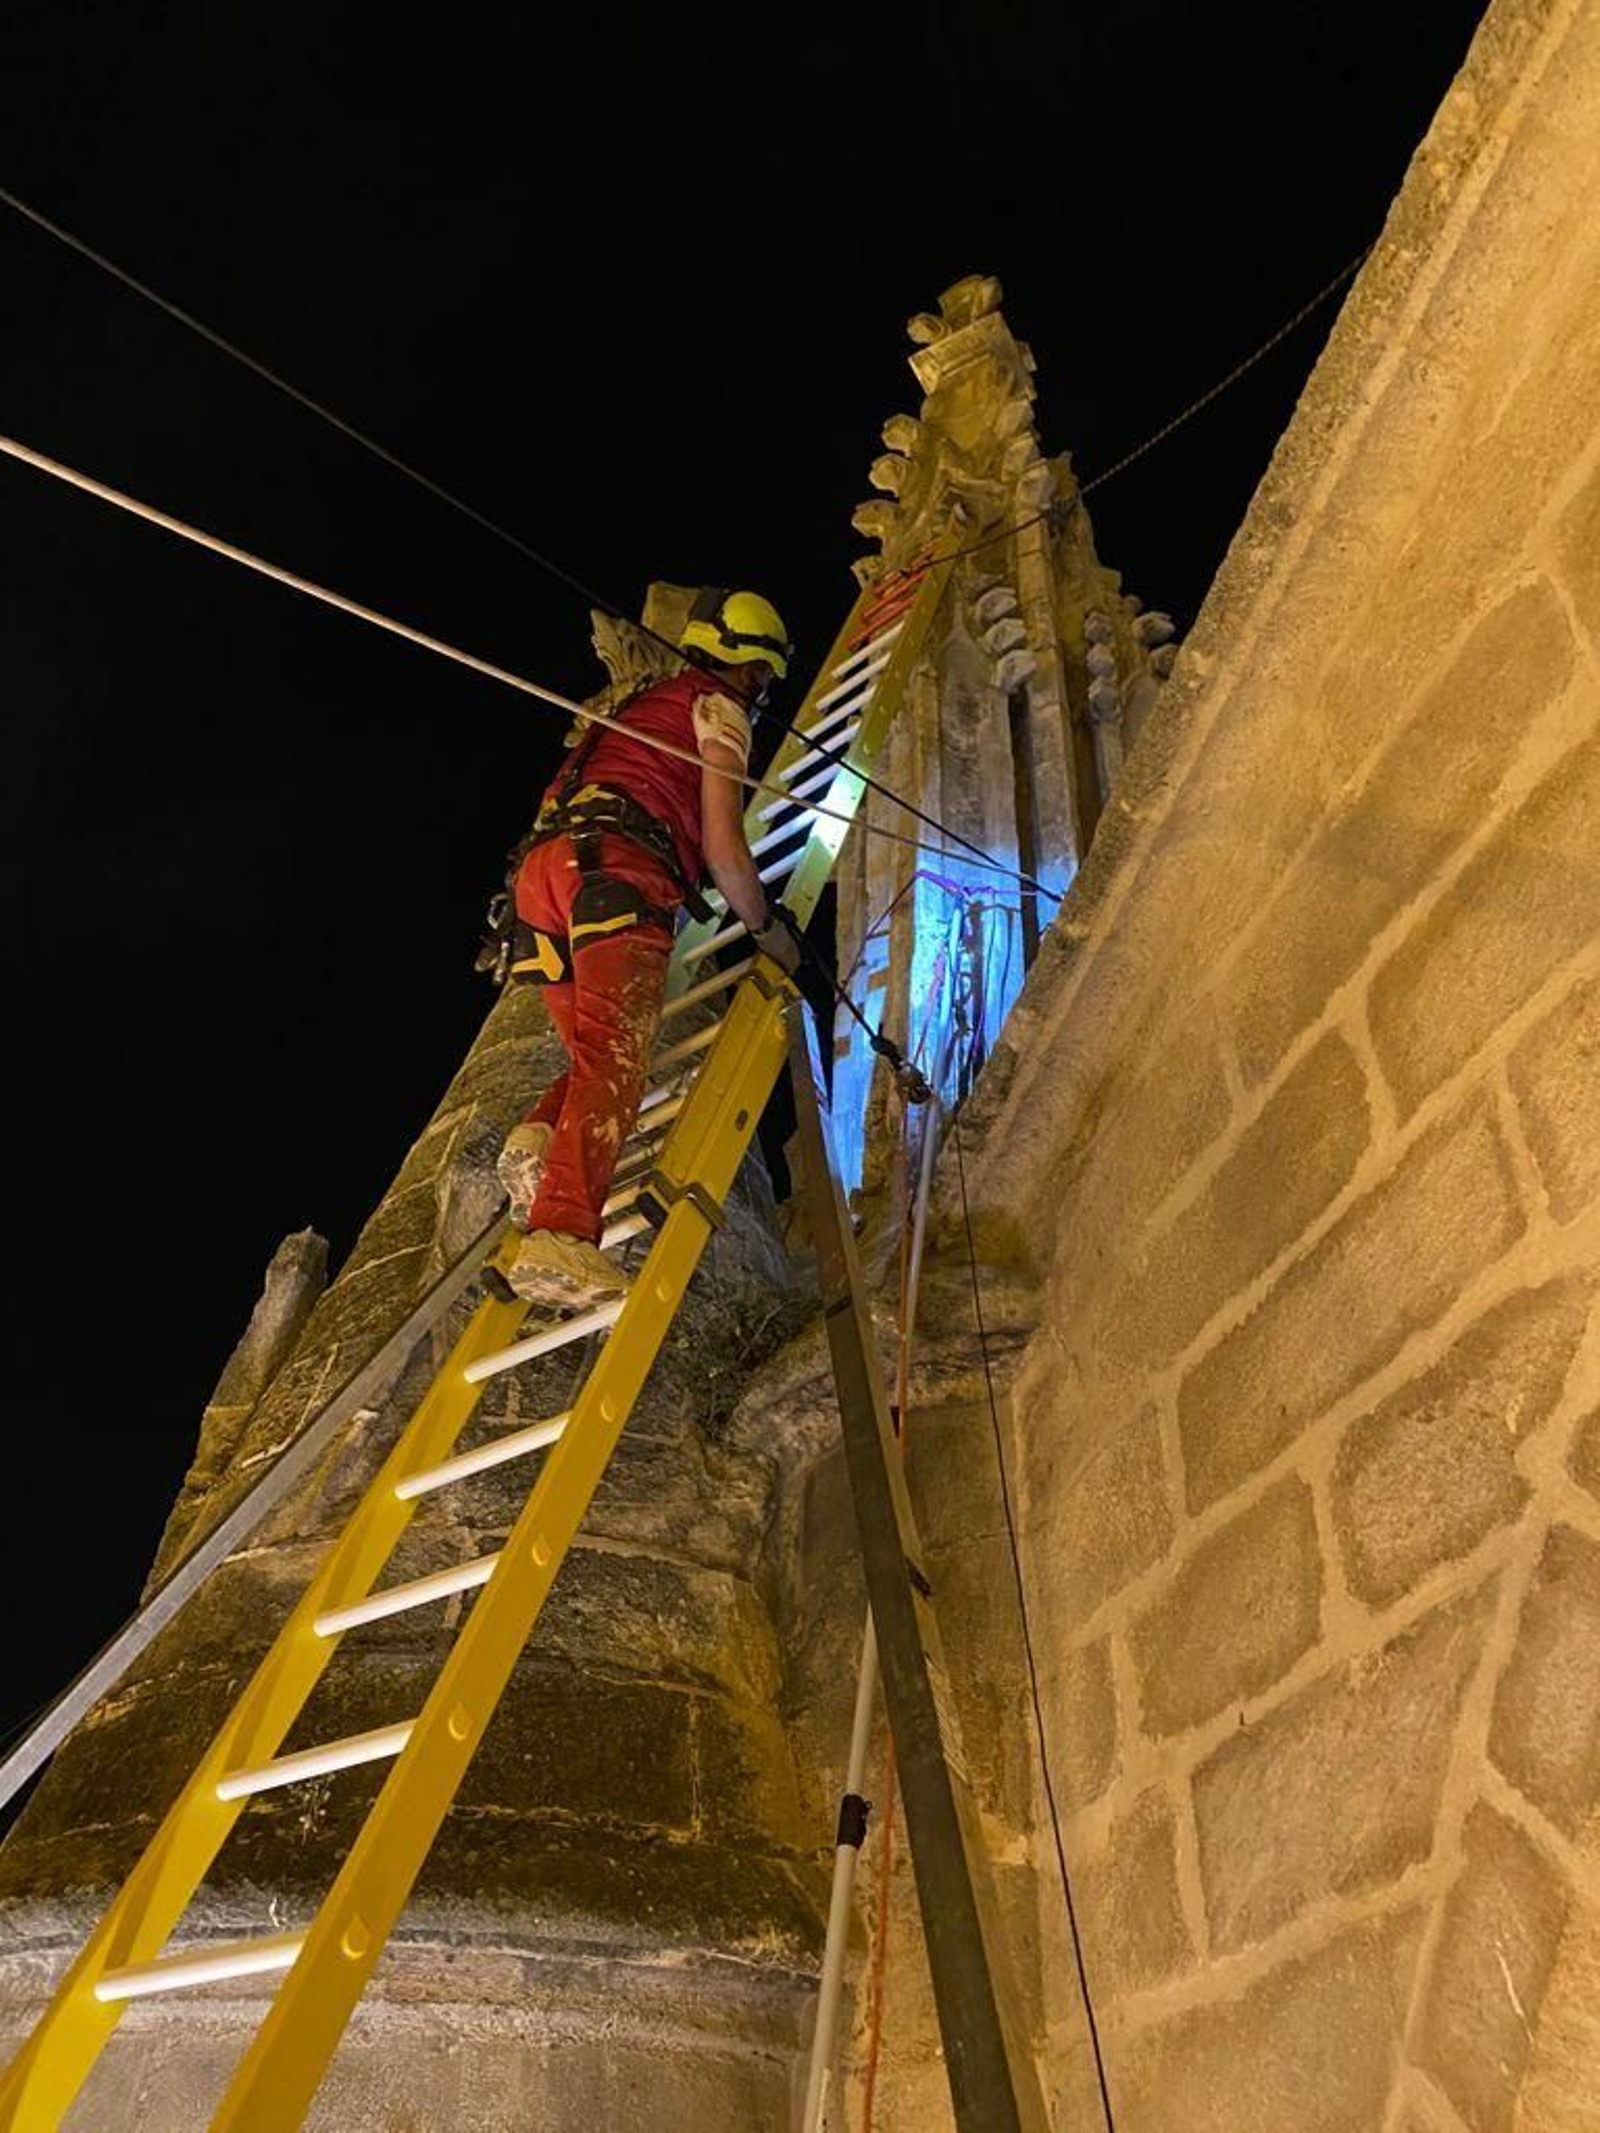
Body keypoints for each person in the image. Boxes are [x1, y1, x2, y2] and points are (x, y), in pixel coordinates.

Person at [489, 589, 803, 1309]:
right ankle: (562, 1235)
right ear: (745, 664)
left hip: (541, 884)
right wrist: (767, 929)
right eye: (761, 678)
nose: (759, 694)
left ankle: (539, 1138)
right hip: (618, 874)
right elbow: (724, 847)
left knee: (594, 1049)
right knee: (618, 1056)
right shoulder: (716, 709)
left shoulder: (638, 707)